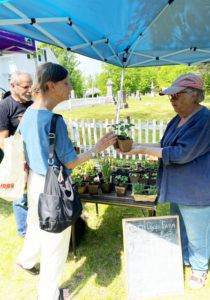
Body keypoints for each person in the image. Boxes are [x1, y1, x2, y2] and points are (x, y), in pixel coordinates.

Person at [16, 62, 116, 300]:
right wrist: (97, 148)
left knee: (34, 223)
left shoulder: (28, 113)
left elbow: (23, 145)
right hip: (53, 187)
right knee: (55, 244)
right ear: (51, 85)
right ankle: (49, 295)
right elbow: (69, 162)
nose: (70, 88)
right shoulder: (54, 121)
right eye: (66, 83)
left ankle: (26, 260)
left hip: (34, 181)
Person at [116, 73, 210, 289]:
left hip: (195, 190)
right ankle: (185, 258)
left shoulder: (204, 120)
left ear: (194, 95)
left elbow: (181, 153)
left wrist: (141, 149)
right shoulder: (178, 119)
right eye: (170, 96)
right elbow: (164, 144)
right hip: (177, 187)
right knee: (181, 228)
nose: (172, 99)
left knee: (198, 232)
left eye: (176, 95)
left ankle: (199, 268)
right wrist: (135, 145)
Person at [0, 71, 33, 237]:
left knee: (34, 194)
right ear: (13, 86)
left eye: (31, 85)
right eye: (25, 86)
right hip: (17, 159)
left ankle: (35, 227)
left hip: (33, 158)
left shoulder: (32, 105)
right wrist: (14, 166)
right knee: (19, 197)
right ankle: (24, 232)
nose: (29, 89)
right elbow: (2, 138)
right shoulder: (5, 106)